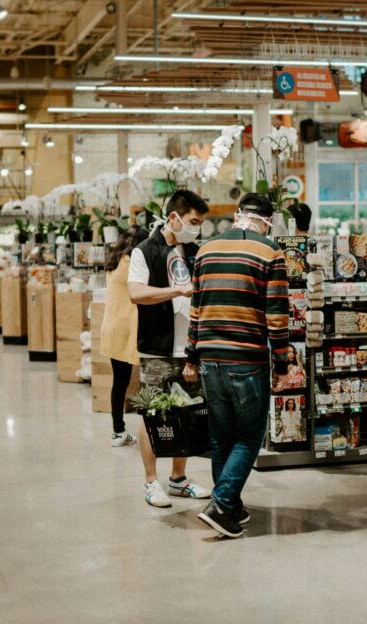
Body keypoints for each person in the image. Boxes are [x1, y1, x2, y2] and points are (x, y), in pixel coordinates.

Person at [183, 193, 289, 538]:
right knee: (249, 436)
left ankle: (231, 507)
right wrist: (282, 363)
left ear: (237, 214)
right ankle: (221, 502)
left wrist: (191, 356)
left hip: (210, 357)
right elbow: (276, 314)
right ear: (267, 221)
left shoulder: (205, 250)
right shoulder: (271, 252)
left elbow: (195, 309)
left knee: (221, 436)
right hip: (247, 358)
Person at [127, 190, 213, 508]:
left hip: (190, 347)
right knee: (154, 414)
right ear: (174, 217)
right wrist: (175, 290)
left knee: (186, 413)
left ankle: (178, 479)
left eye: (200, 223)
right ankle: (151, 481)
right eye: (193, 221)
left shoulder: (195, 251)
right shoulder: (145, 251)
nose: (196, 228)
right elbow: (136, 293)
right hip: (158, 347)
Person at [98, 225, 149, 447]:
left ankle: (118, 431)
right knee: (147, 380)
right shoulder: (132, 264)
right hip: (130, 327)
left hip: (112, 326)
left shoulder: (114, 261)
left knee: (119, 381)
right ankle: (152, 431)